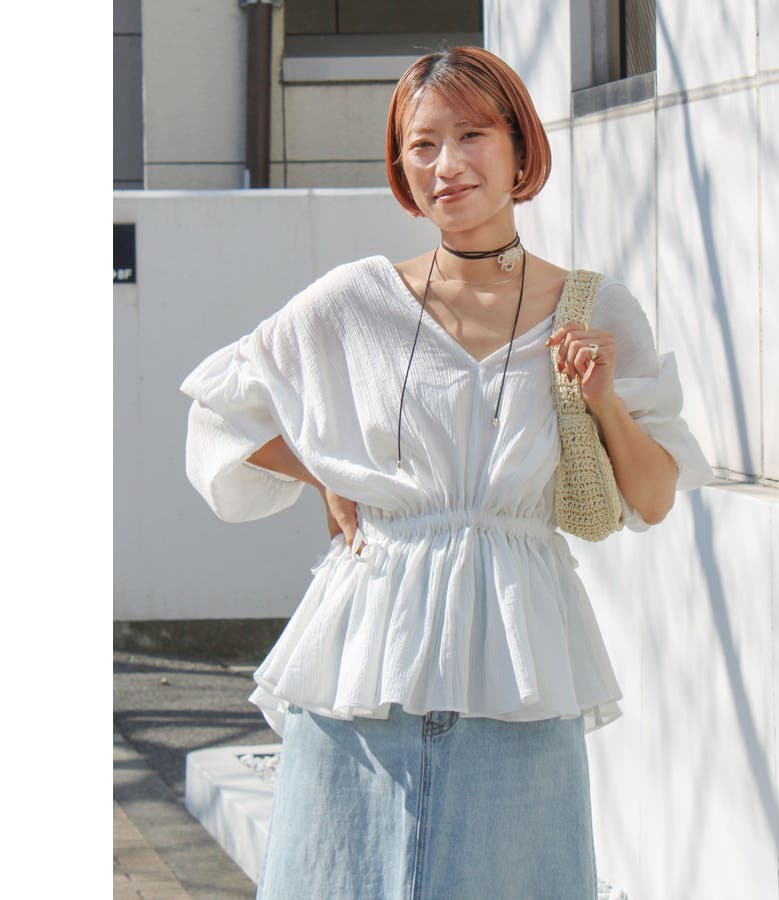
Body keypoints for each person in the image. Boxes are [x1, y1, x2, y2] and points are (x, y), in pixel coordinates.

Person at [180, 45, 712, 900]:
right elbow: (218, 412)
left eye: (472, 135)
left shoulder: (596, 308)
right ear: (401, 166)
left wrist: (604, 400)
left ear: (520, 147)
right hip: (364, 662)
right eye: (422, 145)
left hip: (520, 665)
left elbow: (651, 496)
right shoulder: (354, 302)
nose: (447, 165)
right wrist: (326, 474)